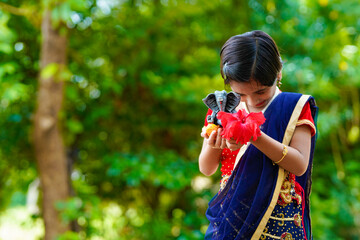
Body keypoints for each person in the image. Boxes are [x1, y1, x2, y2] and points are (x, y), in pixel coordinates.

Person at [198, 30, 318, 240]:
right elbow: (206, 168)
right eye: (241, 94)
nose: (252, 101)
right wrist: (213, 143)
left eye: (261, 92)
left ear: (278, 73)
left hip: (280, 224)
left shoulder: (293, 108)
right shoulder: (222, 109)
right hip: (233, 221)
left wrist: (254, 136)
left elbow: (299, 165)